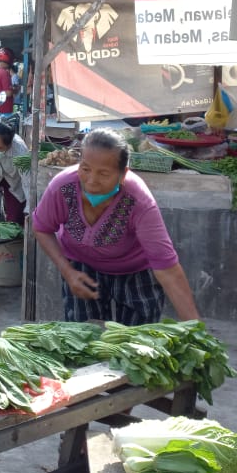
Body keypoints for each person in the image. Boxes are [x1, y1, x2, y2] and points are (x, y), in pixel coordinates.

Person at [32, 128, 201, 325]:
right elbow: (42, 228)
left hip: (135, 271)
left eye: (103, 173)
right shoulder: (62, 187)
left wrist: (195, 330)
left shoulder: (138, 200)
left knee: (137, 343)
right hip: (81, 266)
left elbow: (167, 269)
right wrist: (67, 271)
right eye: (85, 168)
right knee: (83, 339)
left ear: (123, 174)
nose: (92, 181)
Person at [0, 122, 31, 224]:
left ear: (9, 146)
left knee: (16, 218)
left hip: (14, 181)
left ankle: (14, 238)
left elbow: (27, 180)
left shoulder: (20, 149)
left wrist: (30, 208)